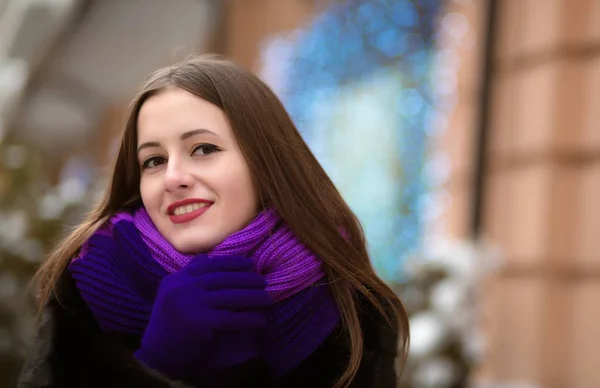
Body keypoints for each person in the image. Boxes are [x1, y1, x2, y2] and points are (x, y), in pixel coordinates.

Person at [18, 55, 409, 388]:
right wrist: (155, 362)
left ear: (265, 163)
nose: (173, 177)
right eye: (153, 160)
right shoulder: (88, 286)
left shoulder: (350, 308)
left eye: (203, 149)